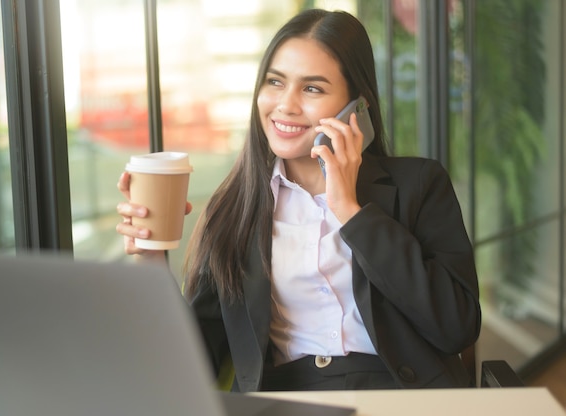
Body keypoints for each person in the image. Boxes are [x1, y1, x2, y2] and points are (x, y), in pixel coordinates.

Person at [116, 8, 481, 392]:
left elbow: (456, 327)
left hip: (400, 395)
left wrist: (352, 212)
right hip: (286, 397)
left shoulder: (418, 184)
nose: (286, 105)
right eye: (275, 82)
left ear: (358, 106)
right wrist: (151, 259)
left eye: (312, 88)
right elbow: (194, 364)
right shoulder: (235, 209)